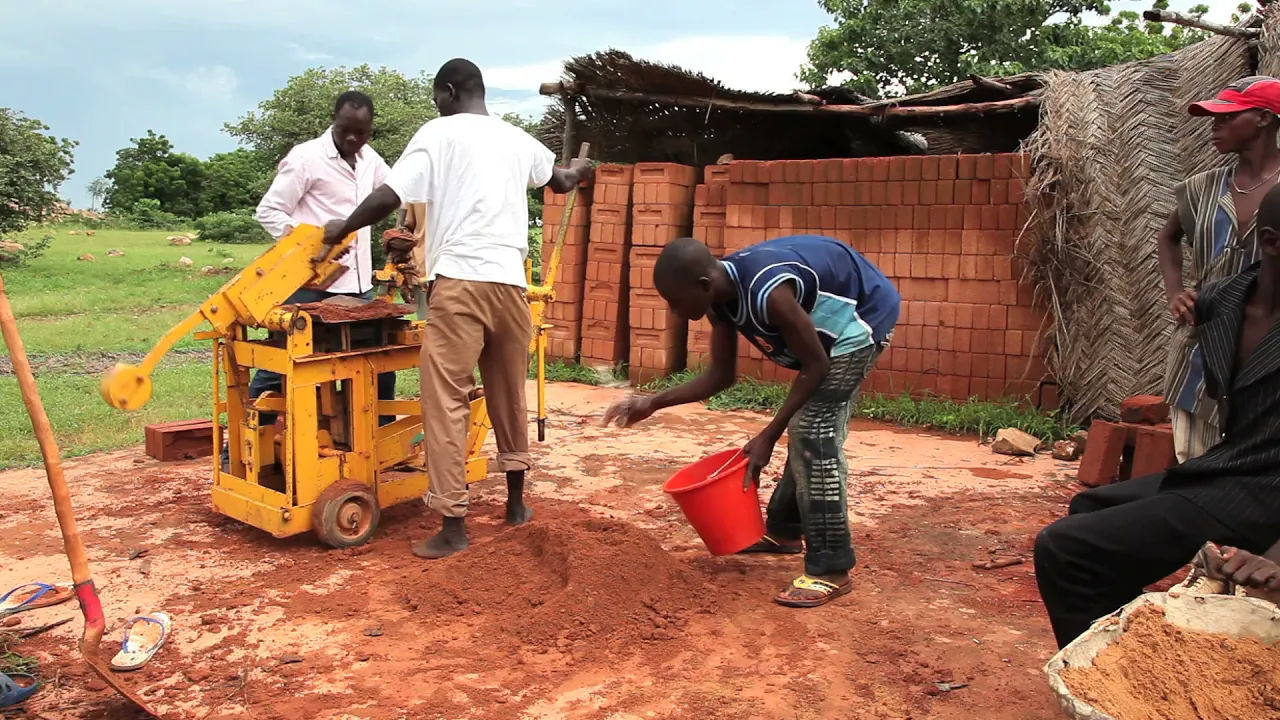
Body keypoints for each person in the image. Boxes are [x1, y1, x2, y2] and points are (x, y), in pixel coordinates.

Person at [320, 58, 593, 559]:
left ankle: (452, 526)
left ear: (448, 92)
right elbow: (559, 180)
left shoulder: (438, 134)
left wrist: (344, 226)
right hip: (511, 287)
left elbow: (389, 196)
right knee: (508, 392)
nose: (437, 106)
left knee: (446, 399)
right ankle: (516, 505)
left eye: (436, 98)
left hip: (461, 283)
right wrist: (579, 169)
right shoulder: (517, 139)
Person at [1035, 182, 1280, 649]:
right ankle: (1141, 651)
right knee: (1090, 507)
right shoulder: (1224, 301)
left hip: (1266, 490)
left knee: (1065, 548)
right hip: (1230, 467)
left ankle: (1111, 674)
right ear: (1271, 243)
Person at [602, 235, 900, 608]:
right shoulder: (720, 301)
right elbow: (720, 376)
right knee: (806, 425)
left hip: (864, 316)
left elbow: (816, 365)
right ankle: (784, 531)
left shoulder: (768, 293)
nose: (674, 311)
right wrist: (652, 402)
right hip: (827, 336)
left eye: (676, 301)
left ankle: (831, 567)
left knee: (812, 429)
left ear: (703, 285)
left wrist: (767, 437)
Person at [220, 91, 395, 470]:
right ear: (334, 121)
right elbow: (269, 211)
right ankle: (237, 454)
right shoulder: (305, 158)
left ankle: (380, 451)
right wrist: (309, 243)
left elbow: (393, 193)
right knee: (279, 369)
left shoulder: (371, 160)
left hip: (359, 290)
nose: (353, 139)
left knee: (378, 368)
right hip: (310, 287)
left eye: (361, 132)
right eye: (346, 130)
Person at [1158, 76, 1280, 463]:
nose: (1215, 127)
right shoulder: (1201, 188)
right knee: (1195, 462)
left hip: (1267, 346)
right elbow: (1168, 238)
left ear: (1264, 118)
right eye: (1214, 118)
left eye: (1227, 118)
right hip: (1201, 344)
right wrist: (1175, 292)